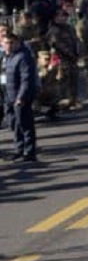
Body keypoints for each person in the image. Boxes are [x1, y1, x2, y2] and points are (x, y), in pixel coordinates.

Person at [2, 25, 41, 163]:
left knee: (25, 125)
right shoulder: (8, 57)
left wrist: (21, 97)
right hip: (9, 96)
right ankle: (19, 149)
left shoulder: (23, 57)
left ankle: (29, 152)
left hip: (20, 97)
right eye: (6, 43)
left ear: (18, 42)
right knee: (15, 124)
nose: (8, 45)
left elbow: (26, 79)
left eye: (11, 43)